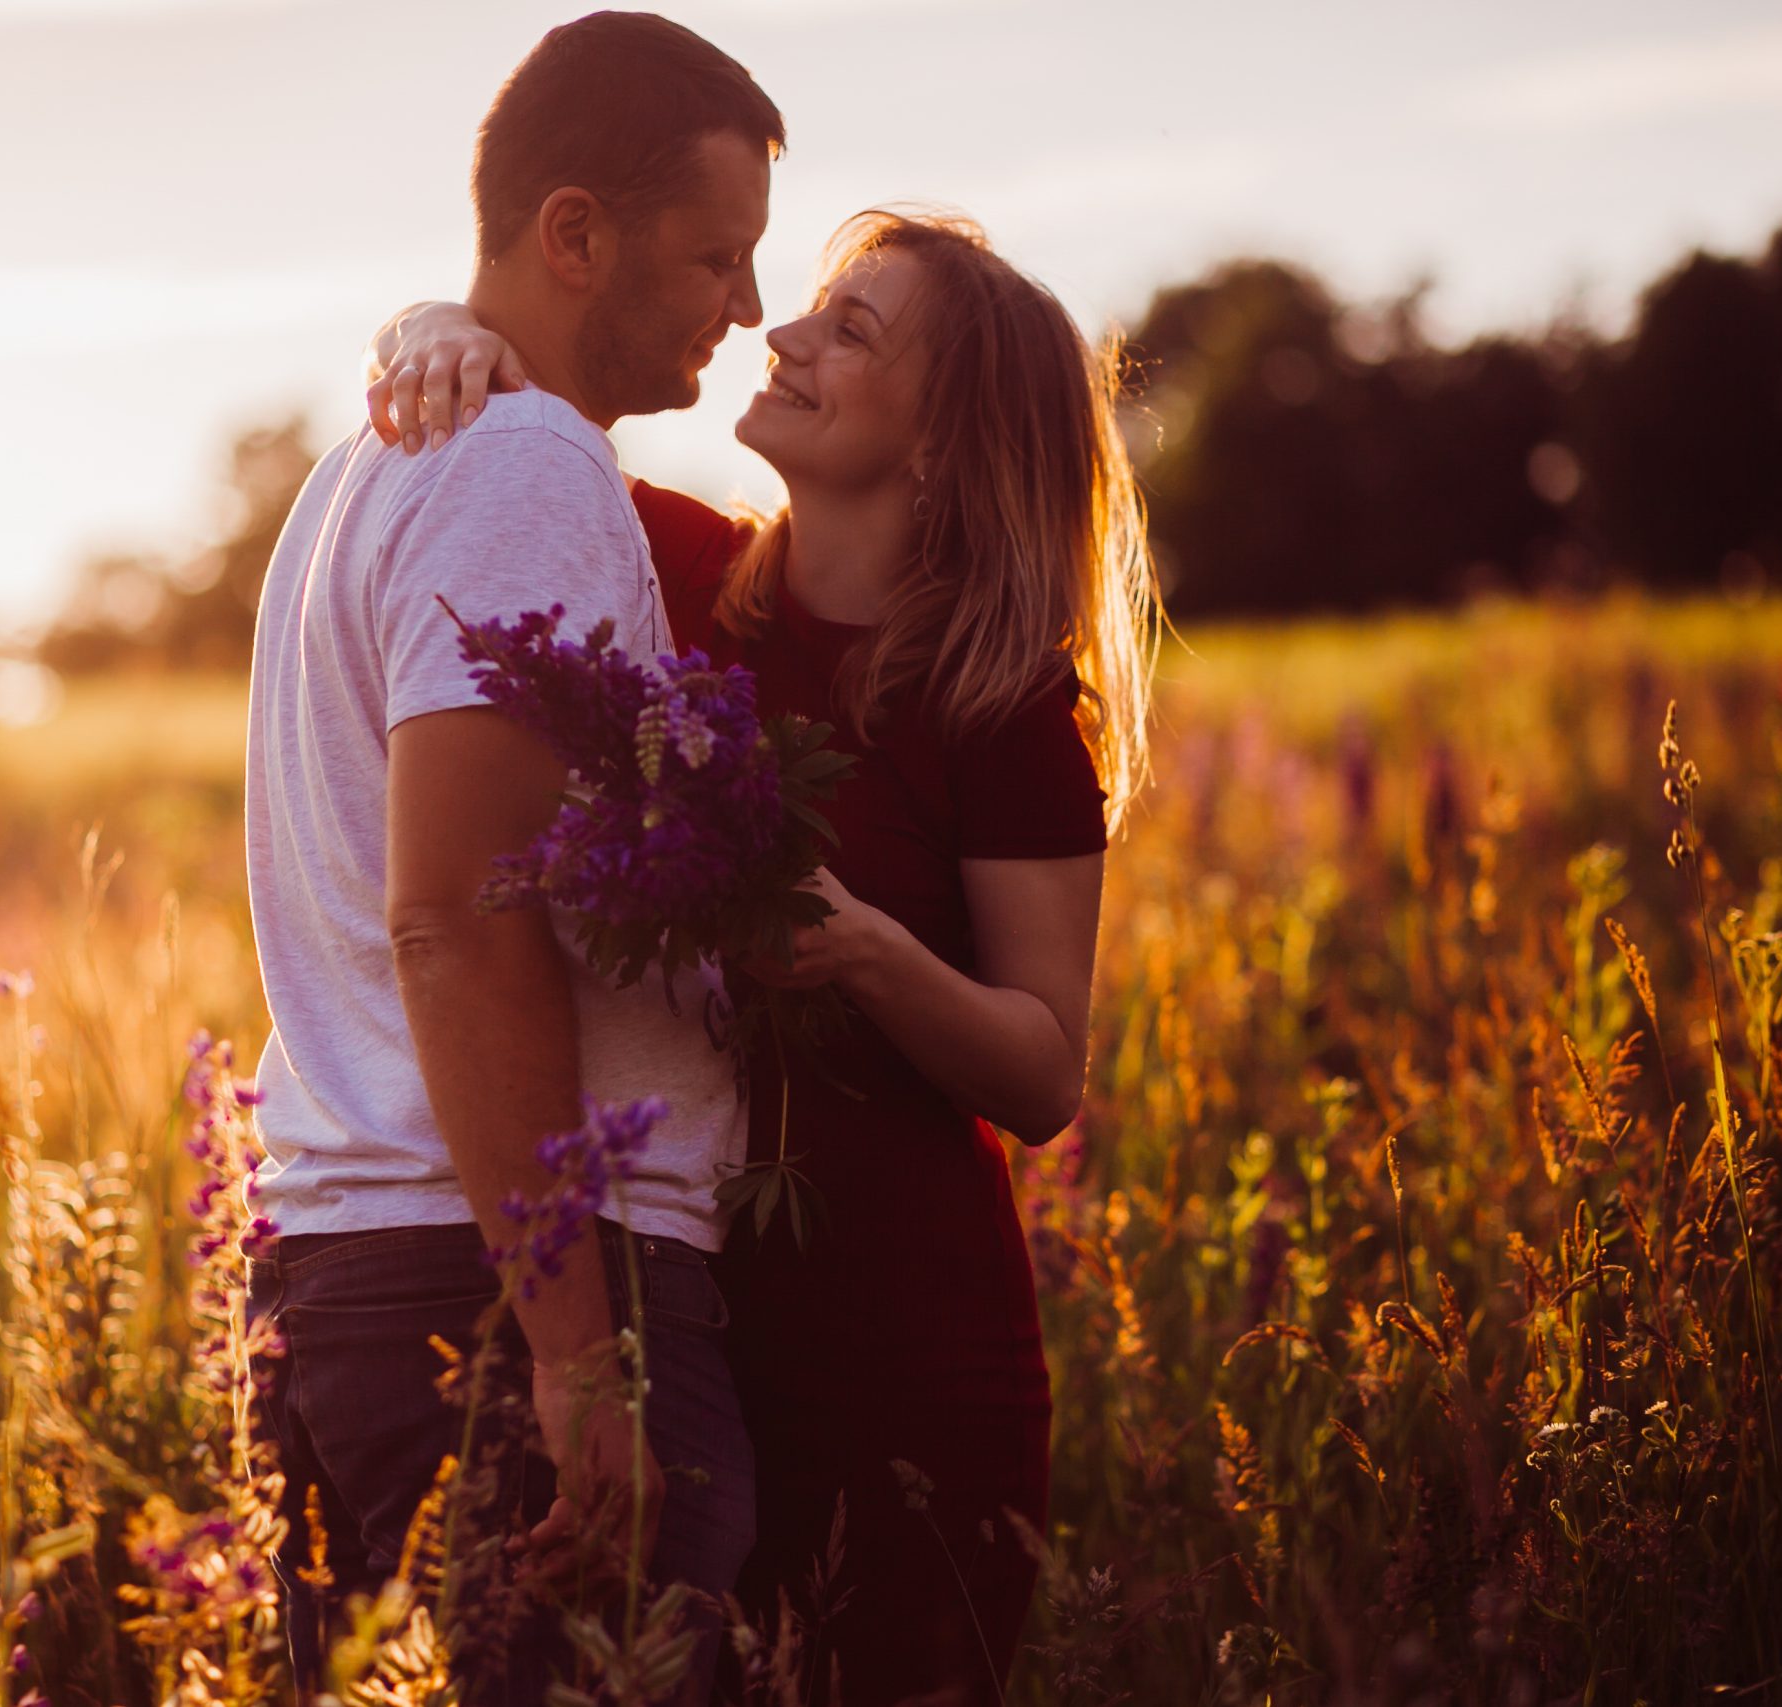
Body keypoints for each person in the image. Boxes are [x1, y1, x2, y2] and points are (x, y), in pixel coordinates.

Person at [367, 208, 1160, 1703]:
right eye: (812, 307)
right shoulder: (664, 567)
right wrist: (430, 332)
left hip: (908, 1351)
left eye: (853, 331)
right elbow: (509, 443)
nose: (785, 334)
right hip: (688, 1314)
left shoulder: (1001, 703)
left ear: (944, 444)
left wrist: (866, 953)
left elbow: (1046, 1070)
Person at [238, 12, 785, 1702]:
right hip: (498, 1283)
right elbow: (459, 920)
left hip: (371, 1262)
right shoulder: (526, 464)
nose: (746, 308)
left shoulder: (370, 471)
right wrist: (574, 1353)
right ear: (574, 233)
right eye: (717, 254)